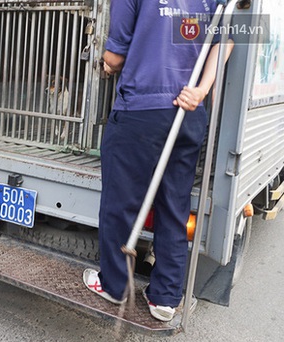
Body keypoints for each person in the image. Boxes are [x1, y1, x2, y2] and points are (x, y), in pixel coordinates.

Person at [83, 0, 233, 322]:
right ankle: (165, 298)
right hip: (188, 112)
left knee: (120, 203)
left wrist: (106, 64)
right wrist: (201, 91)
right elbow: (226, 40)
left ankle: (114, 285)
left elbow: (115, 55)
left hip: (142, 108)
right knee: (174, 206)